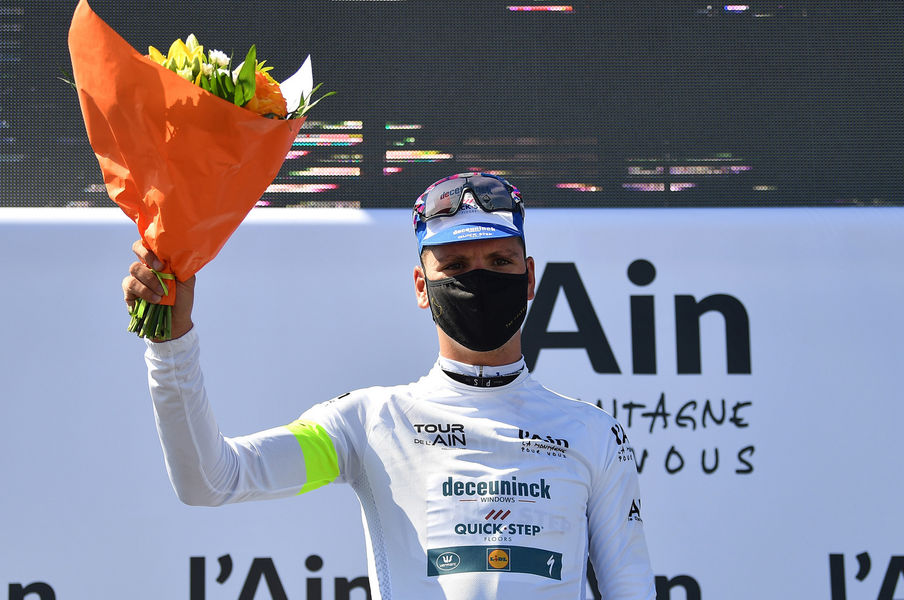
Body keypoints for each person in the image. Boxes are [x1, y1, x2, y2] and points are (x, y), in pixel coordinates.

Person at [123, 173, 655, 599]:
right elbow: (210, 480)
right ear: (422, 287)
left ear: (530, 276)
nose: (480, 278)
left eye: (499, 262)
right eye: (456, 266)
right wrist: (171, 347)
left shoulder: (593, 435)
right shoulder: (370, 422)